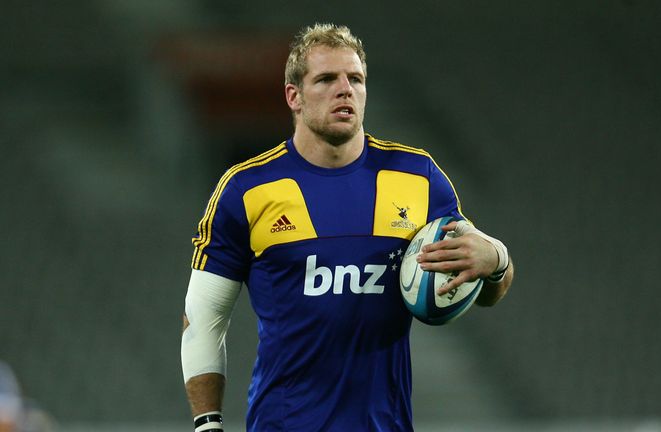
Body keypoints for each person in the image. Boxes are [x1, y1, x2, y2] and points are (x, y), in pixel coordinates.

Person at [180, 23, 514, 432]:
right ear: (293, 97)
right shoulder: (246, 188)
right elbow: (203, 316)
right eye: (326, 79)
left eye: (355, 79)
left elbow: (481, 285)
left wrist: (496, 259)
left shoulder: (418, 176)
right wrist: (207, 424)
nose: (345, 89)